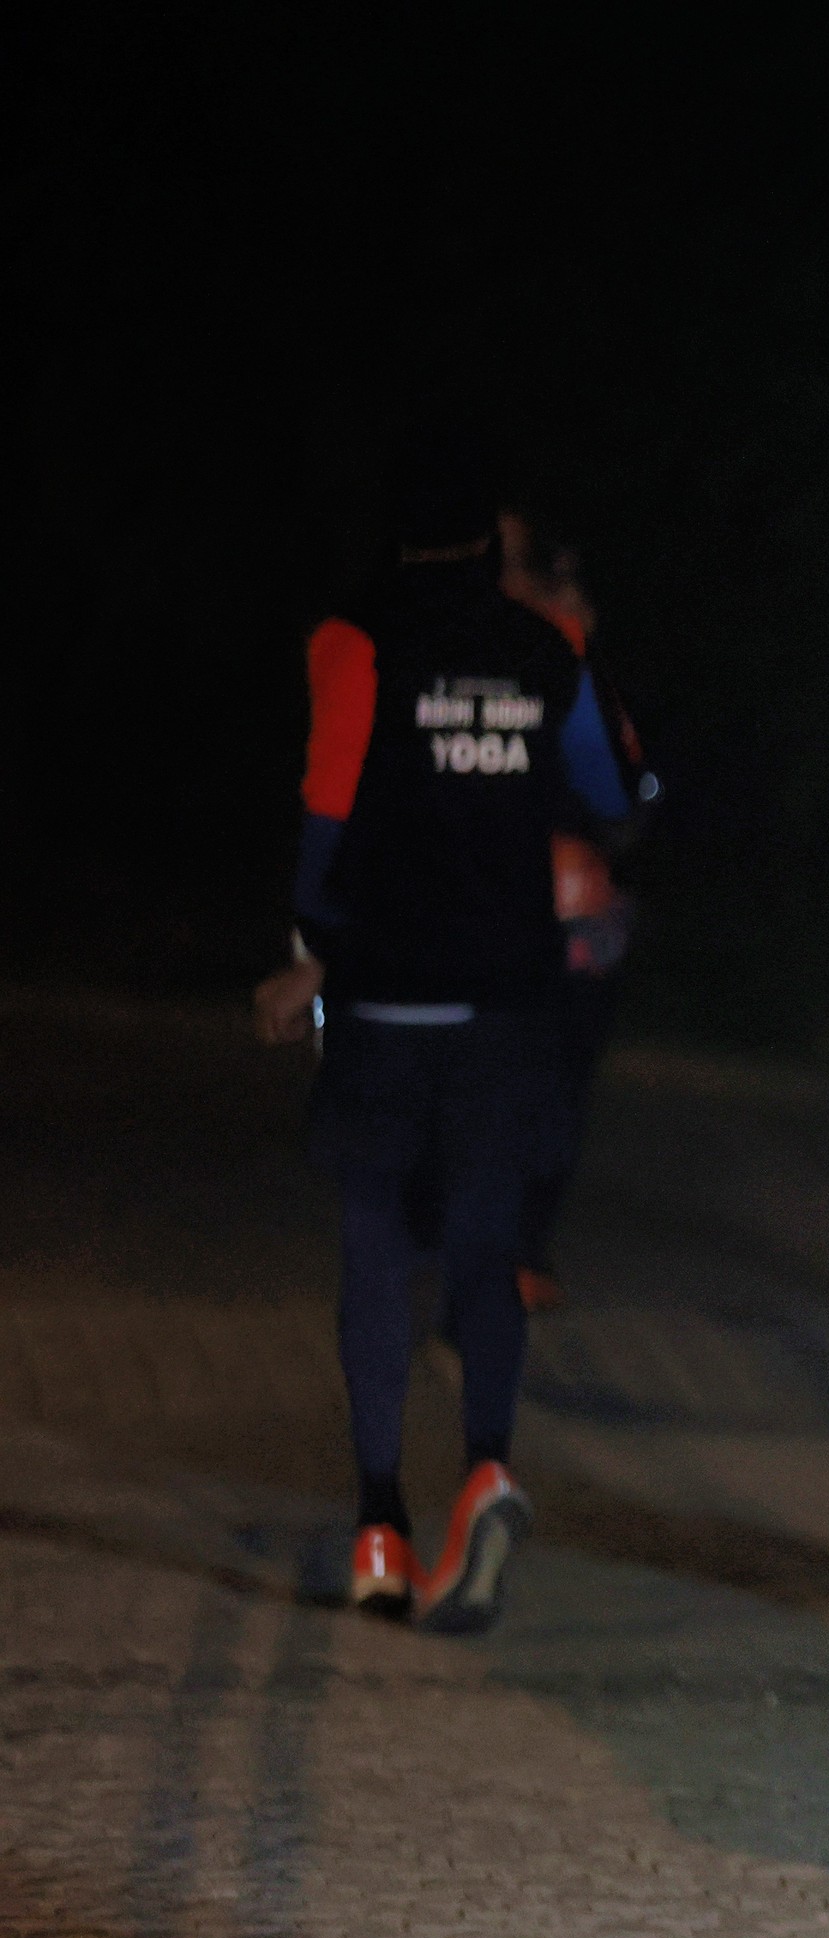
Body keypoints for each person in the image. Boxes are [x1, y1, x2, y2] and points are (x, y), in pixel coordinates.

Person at [252, 437, 631, 1633]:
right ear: (489, 540)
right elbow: (619, 790)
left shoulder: (353, 637)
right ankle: (484, 1469)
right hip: (508, 996)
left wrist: (316, 946)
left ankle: (379, 1525)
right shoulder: (546, 645)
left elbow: (326, 810)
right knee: (485, 1240)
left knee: (373, 1242)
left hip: (382, 996)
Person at [495, 510, 659, 1311]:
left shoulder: (569, 665)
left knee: (552, 1082)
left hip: (567, 917)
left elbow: (623, 796)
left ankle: (519, 1249)